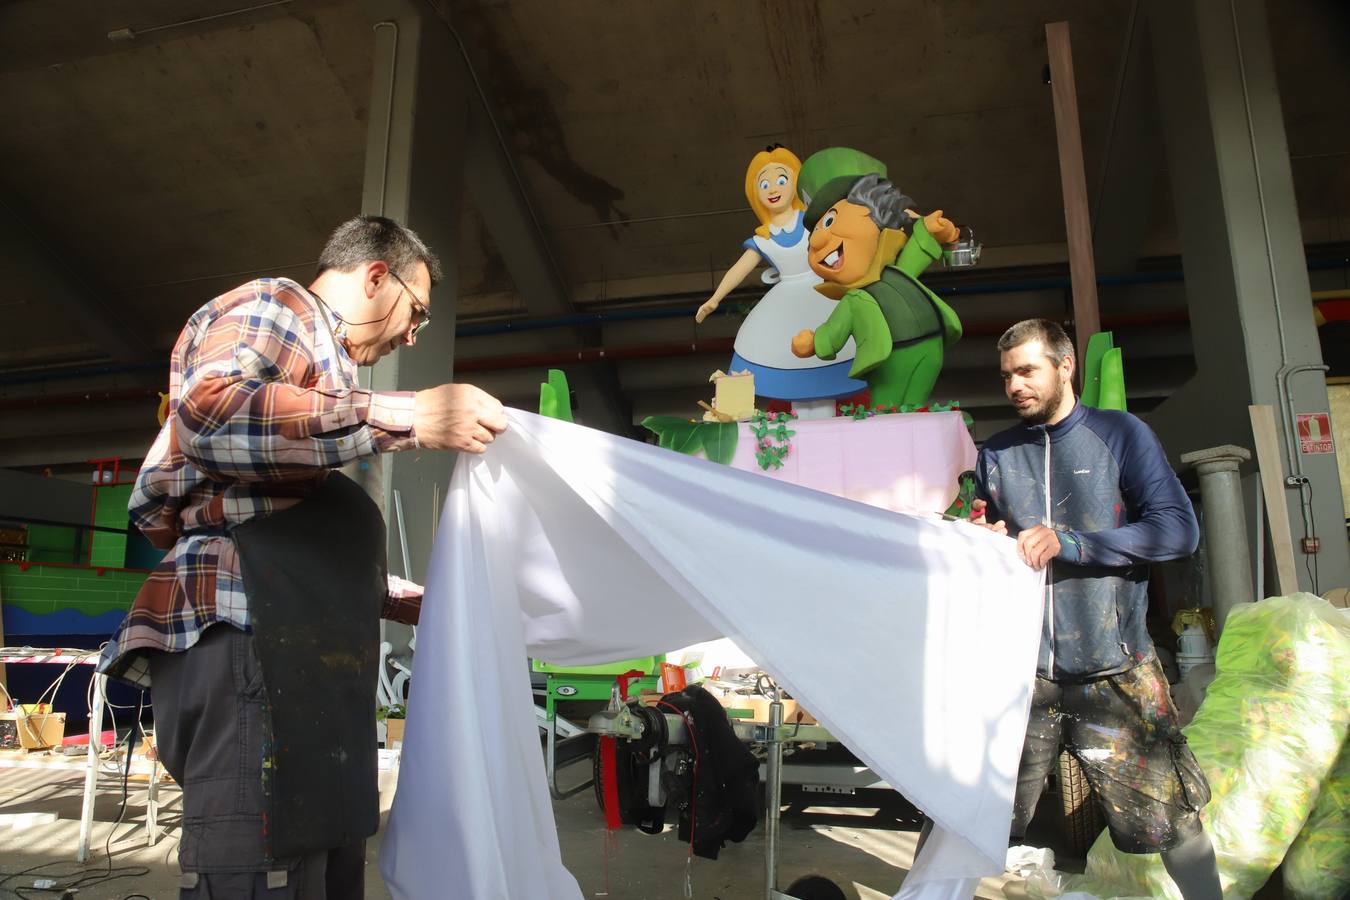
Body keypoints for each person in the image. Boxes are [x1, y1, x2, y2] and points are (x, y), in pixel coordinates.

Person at [97, 216, 508, 899]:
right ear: (377, 277)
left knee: (319, 867)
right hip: (250, 637)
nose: (414, 333)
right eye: (419, 312)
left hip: (297, 645)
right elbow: (213, 414)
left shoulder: (328, 396)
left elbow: (305, 543)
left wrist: (424, 604)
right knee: (261, 867)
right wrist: (409, 416)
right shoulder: (279, 307)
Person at [972, 319, 1222, 900]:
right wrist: (978, 533)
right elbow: (992, 537)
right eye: (1007, 375)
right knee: (968, 815)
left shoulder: (1122, 435)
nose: (1015, 386)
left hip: (1116, 673)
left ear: (1065, 367)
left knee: (1172, 821)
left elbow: (1178, 531)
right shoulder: (998, 455)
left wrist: (1074, 542)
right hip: (1020, 678)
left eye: (1028, 371)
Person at [694, 145, 865, 415]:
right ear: (755, 192)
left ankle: (826, 422)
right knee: (789, 366)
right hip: (784, 304)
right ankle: (803, 426)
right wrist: (715, 299)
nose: (773, 189)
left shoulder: (813, 218)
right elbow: (739, 269)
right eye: (764, 183)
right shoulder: (764, 238)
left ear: (796, 181)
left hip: (822, 293)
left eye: (781, 180)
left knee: (829, 358)